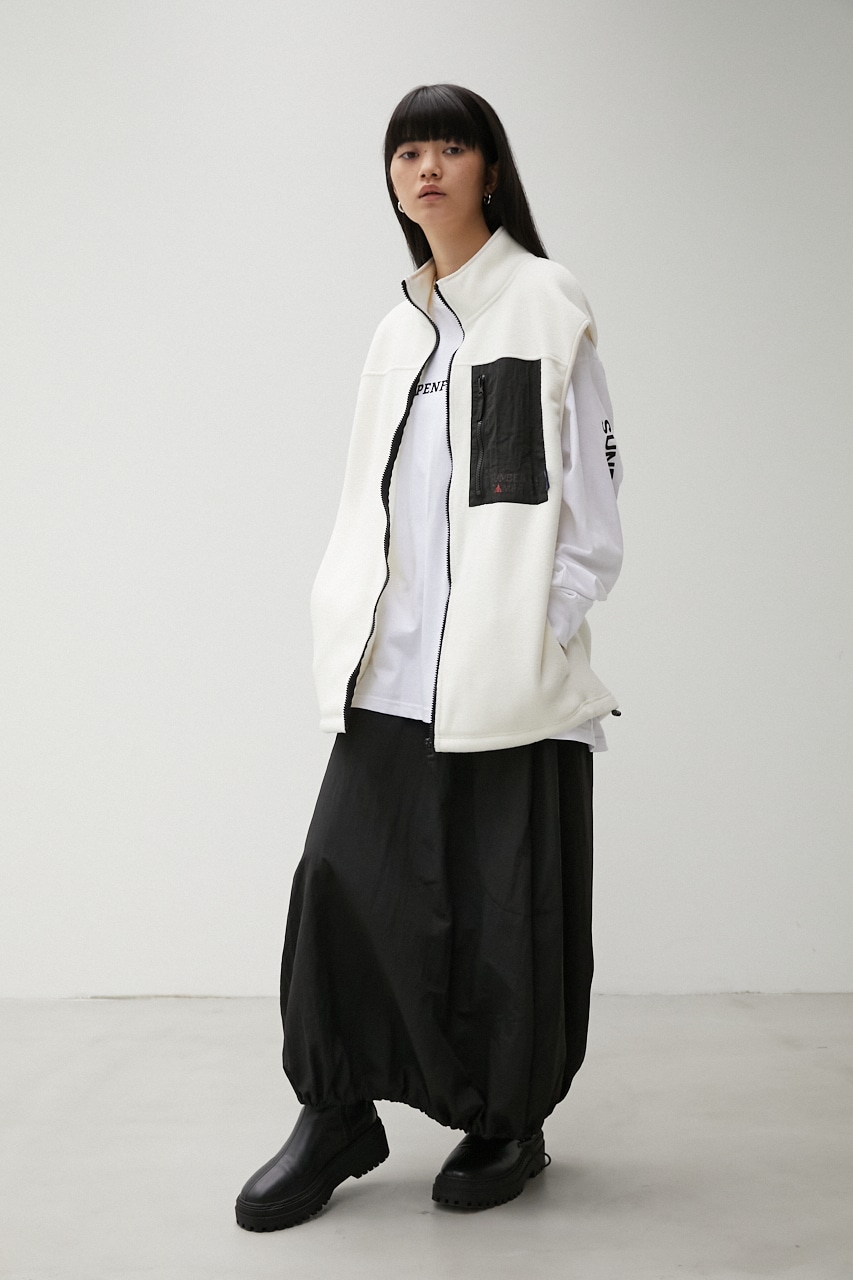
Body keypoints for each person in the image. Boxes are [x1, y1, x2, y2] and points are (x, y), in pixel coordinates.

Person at [235, 83, 623, 1231]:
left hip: (509, 683)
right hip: (391, 671)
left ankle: (508, 1118)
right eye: (409, 150)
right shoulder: (397, 327)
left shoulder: (545, 301)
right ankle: (335, 1109)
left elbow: (591, 515)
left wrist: (533, 632)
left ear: (489, 170)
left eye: (451, 146)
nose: (428, 167)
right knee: (338, 880)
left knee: (503, 910)